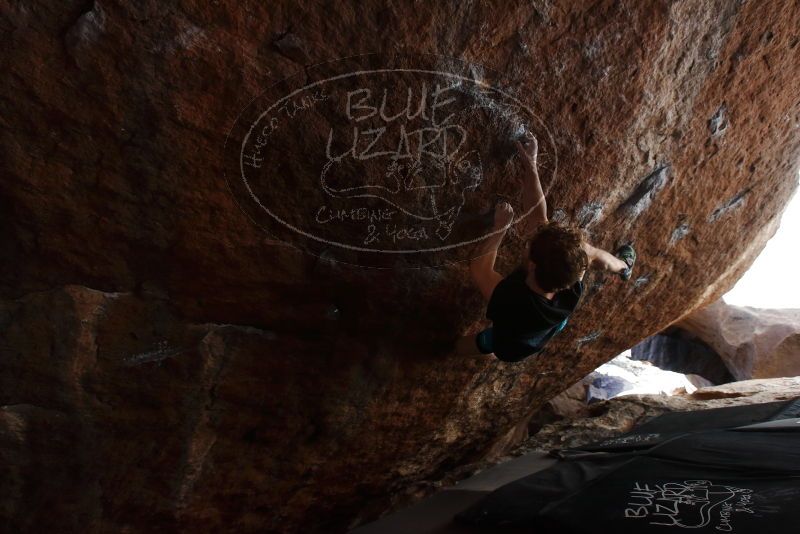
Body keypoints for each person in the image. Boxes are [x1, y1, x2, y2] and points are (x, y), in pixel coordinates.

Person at [455, 133, 635, 362]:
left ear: (531, 264)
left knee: (482, 343)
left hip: (513, 342)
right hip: (553, 322)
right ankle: (626, 268)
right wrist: (530, 163)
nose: (528, 240)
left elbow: (480, 267)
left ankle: (445, 351)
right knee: (595, 254)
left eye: (529, 245)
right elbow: (599, 257)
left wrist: (500, 228)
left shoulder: (512, 300)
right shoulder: (575, 266)